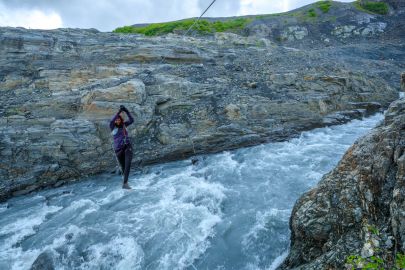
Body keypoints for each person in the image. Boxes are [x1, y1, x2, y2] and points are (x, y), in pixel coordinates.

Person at [109, 105, 134, 189]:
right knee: (123, 167)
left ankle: (125, 183)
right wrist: (119, 112)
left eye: (119, 119)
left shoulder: (124, 125)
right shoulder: (112, 127)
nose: (117, 120)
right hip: (118, 150)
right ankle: (125, 183)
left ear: (121, 120)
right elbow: (112, 120)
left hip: (127, 146)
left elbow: (132, 120)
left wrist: (126, 111)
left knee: (128, 164)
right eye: (116, 120)